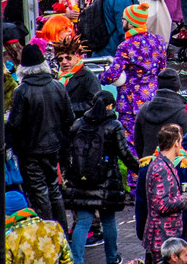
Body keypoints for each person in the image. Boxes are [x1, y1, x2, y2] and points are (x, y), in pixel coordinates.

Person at [64, 90, 141, 264]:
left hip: (81, 181)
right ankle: (112, 259)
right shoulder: (113, 125)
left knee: (83, 222)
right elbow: (124, 153)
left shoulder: (78, 124)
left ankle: (76, 260)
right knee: (108, 221)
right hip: (107, 181)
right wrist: (140, 168)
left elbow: (67, 150)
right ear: (110, 106)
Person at [6, 43, 72, 224]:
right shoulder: (58, 86)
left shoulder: (22, 91)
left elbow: (15, 124)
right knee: (54, 189)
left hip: (30, 151)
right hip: (53, 147)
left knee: (38, 192)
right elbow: (69, 118)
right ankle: (61, 233)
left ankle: (47, 233)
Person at [100, 3, 168, 151]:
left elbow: (112, 75)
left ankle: (135, 173)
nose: (121, 22)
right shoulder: (159, 41)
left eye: (124, 19)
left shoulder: (126, 46)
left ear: (131, 23)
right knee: (153, 142)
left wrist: (100, 76)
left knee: (132, 145)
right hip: (153, 99)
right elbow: (163, 70)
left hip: (131, 103)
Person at [144, 124, 187, 263]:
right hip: (162, 236)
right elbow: (161, 205)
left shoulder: (163, 164)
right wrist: (186, 199)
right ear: (176, 142)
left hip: (166, 235)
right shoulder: (161, 168)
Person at [136, 68, 187, 158]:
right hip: (175, 166)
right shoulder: (184, 113)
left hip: (148, 165)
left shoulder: (143, 110)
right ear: (178, 87)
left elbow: (138, 143)